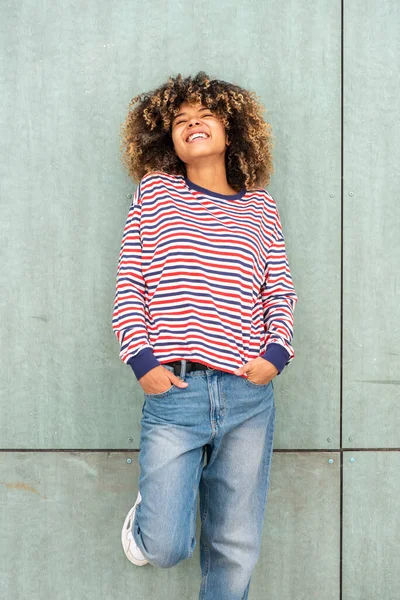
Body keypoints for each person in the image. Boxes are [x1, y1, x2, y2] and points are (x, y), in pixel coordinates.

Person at [112, 71, 298, 600]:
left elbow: (278, 291)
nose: (193, 124)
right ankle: (152, 515)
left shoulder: (259, 206)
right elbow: (131, 283)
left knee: (234, 545)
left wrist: (275, 355)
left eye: (205, 116)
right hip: (177, 393)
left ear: (231, 128)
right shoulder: (156, 192)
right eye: (180, 120)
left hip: (247, 391)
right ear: (166, 138)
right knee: (167, 545)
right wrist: (143, 363)